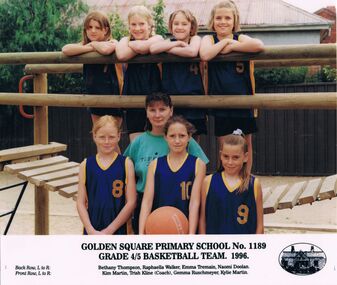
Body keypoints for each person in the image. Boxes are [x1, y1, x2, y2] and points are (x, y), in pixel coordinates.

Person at [124, 93, 209, 234]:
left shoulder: (189, 144)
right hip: (149, 205)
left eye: (162, 109)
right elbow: (125, 174)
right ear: (146, 112)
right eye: (152, 110)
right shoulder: (138, 142)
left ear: (171, 110)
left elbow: (200, 179)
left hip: (182, 205)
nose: (157, 114)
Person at [199, 0, 264, 173]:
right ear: (212, 20)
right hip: (220, 102)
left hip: (243, 101)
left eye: (228, 18)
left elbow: (258, 45)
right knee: (225, 145)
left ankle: (246, 178)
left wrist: (232, 44)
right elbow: (205, 54)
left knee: (246, 144)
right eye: (219, 18)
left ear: (234, 21)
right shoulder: (209, 38)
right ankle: (226, 177)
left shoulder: (240, 38)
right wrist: (224, 44)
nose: (223, 21)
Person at [139, 116, 206, 234]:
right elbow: (147, 202)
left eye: (182, 136)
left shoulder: (198, 164)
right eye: (172, 136)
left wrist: (190, 234)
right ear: (165, 137)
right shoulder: (155, 165)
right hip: (158, 227)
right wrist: (141, 234)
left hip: (184, 228)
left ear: (189, 137)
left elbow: (194, 203)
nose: (177, 141)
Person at [150, 9, 207, 141]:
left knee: (192, 142)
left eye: (184, 24)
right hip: (171, 100)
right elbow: (153, 49)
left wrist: (169, 49)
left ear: (191, 27)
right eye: (176, 24)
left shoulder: (196, 39)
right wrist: (177, 43)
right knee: (172, 141)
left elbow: (192, 52)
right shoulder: (168, 42)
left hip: (193, 100)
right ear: (170, 26)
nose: (179, 27)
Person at [77, 115, 136, 235]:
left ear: (119, 136)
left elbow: (131, 202)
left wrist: (109, 230)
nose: (107, 141)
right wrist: (90, 229)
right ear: (94, 136)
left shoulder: (126, 163)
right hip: (92, 229)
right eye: (102, 137)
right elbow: (80, 203)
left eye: (111, 137)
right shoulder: (86, 164)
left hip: (119, 230)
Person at [62, 11, 123, 127]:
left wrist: (93, 45)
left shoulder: (112, 42)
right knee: (98, 134)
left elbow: (106, 50)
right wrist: (92, 46)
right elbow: (66, 49)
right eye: (89, 27)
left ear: (105, 30)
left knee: (112, 135)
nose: (93, 31)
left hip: (113, 97)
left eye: (97, 27)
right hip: (93, 96)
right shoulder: (87, 45)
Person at [199, 130, 264, 234]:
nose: (230, 162)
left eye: (235, 157)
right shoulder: (208, 181)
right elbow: (202, 220)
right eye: (226, 156)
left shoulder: (254, 184)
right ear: (220, 155)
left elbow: (260, 225)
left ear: (246, 157)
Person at [116, 5, 163, 142]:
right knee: (136, 138)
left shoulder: (158, 38)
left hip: (154, 91)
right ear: (129, 26)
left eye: (141, 24)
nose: (137, 28)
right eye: (133, 24)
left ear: (150, 25)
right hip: (133, 92)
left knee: (156, 135)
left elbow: (142, 47)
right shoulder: (125, 40)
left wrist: (133, 45)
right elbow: (122, 55)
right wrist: (136, 45)